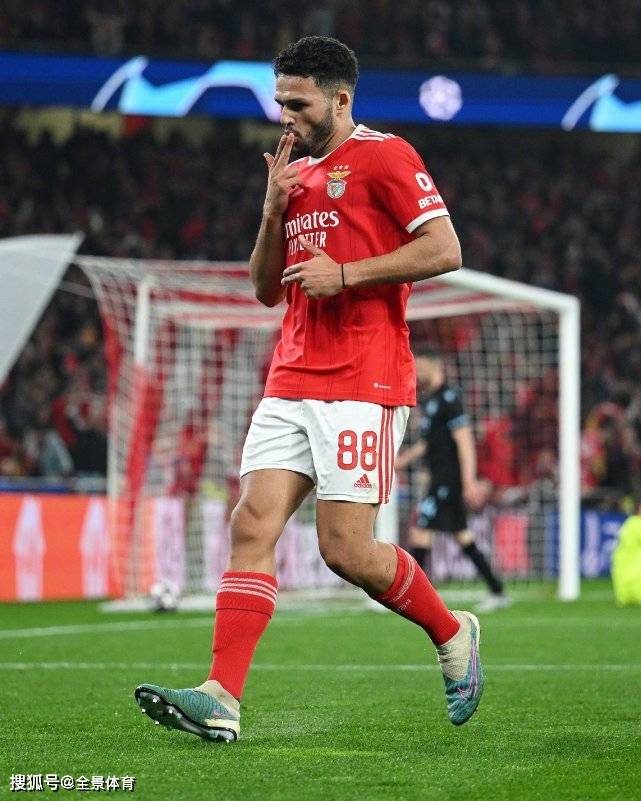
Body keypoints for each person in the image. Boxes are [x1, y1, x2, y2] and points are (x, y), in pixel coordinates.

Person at [135, 35, 483, 743]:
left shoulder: (386, 155)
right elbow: (266, 291)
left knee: (345, 550)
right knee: (251, 524)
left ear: (340, 98)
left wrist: (346, 274)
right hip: (291, 374)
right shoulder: (292, 173)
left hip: (364, 377)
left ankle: (452, 632)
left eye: (298, 103)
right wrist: (272, 210)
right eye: (280, 102)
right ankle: (221, 696)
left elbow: (445, 248)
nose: (285, 116)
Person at [395, 350, 510, 613]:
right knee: (462, 534)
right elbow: (429, 442)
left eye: (421, 365)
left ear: (436, 365)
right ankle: (497, 590)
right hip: (439, 477)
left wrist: (468, 481)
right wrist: (404, 460)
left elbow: (465, 440)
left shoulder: (450, 398)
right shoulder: (430, 400)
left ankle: (407, 595)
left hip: (448, 478)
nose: (417, 371)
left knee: (421, 530)